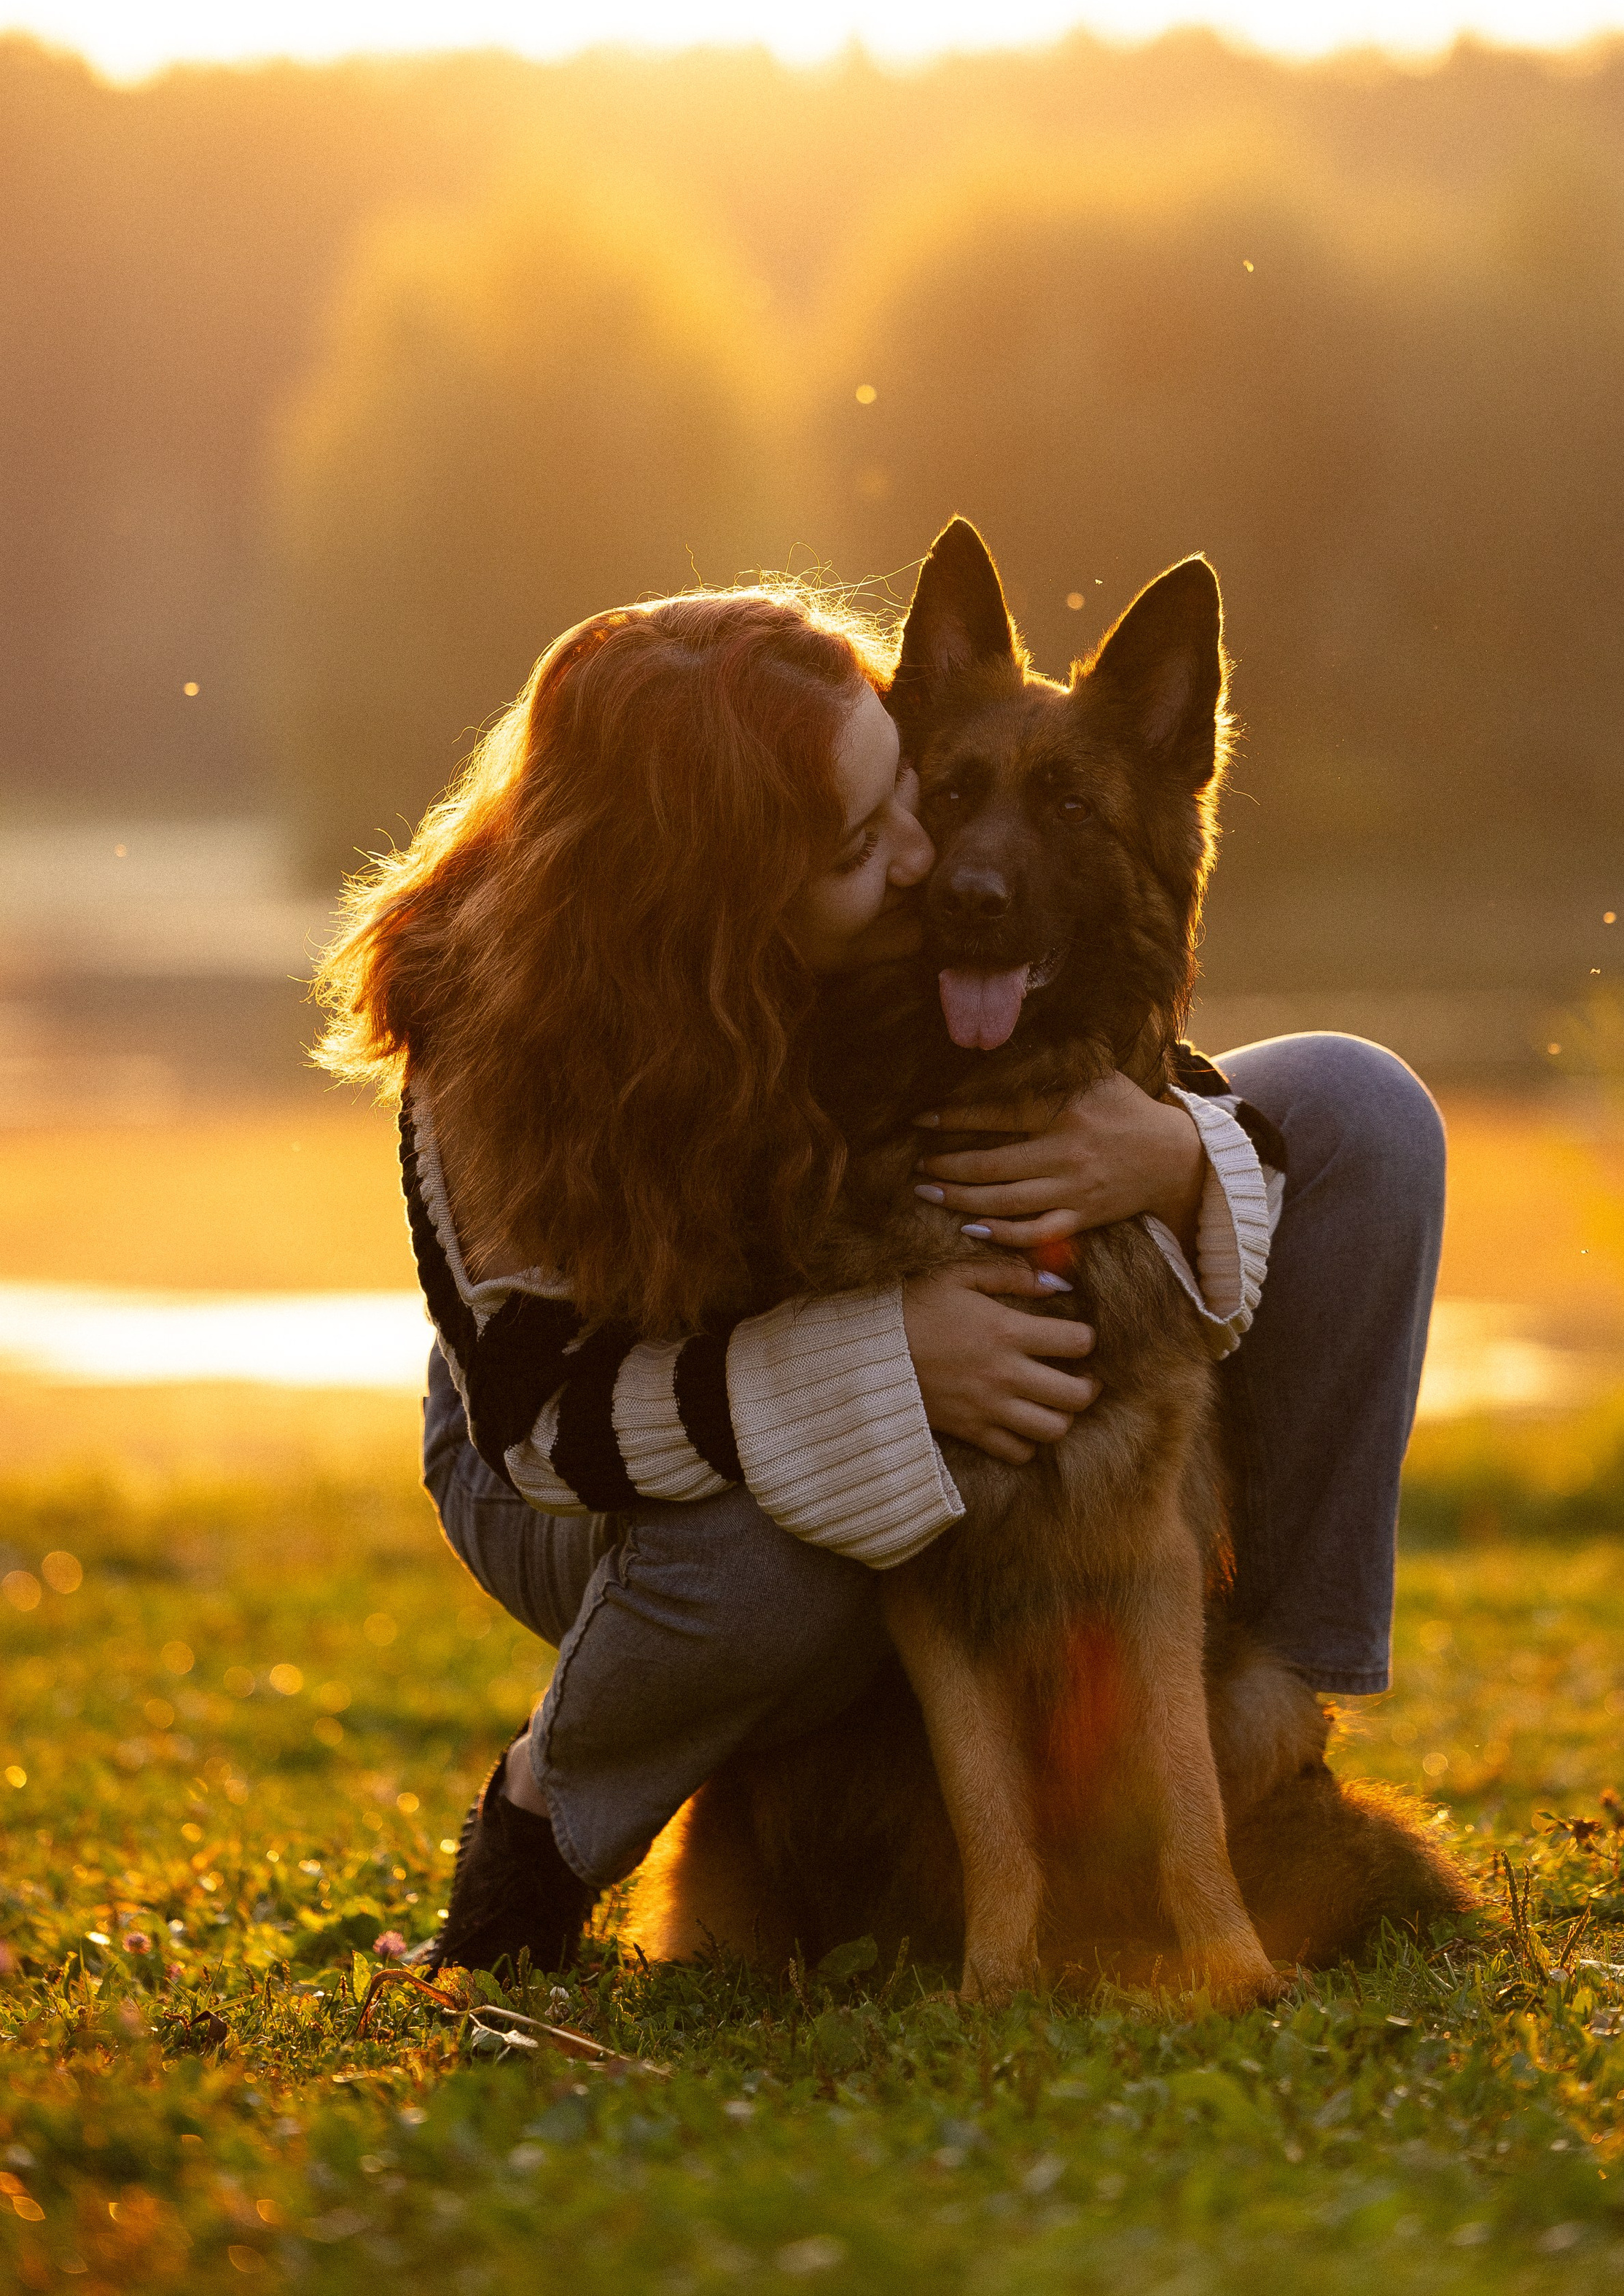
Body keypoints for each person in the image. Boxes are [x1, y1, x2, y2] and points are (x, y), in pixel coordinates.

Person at [313, 582, 1443, 1972]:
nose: (935, 858)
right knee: (799, 1540)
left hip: (786, 1370)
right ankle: (544, 1823)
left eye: (900, 790)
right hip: (552, 1454)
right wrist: (893, 1359)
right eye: (874, 833)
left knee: (1351, 1110)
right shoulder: (493, 1035)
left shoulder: (894, 899)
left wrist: (1173, 1153)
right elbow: (547, 1420)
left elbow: (1133, 1061)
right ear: (729, 883)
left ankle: (1268, 1732)